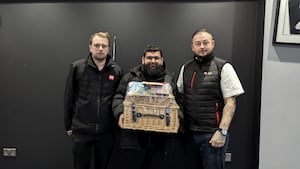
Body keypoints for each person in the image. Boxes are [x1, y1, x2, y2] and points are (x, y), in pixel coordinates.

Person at [176, 28, 244, 169]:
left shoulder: (223, 67)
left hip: (212, 136)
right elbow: (180, 97)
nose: (202, 46)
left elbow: (230, 103)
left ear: (212, 44)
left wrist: (222, 132)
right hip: (189, 135)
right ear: (192, 46)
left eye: (205, 43)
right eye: (198, 43)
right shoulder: (186, 68)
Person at [110, 44, 183, 169]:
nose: (153, 61)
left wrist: (179, 119)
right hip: (133, 140)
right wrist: (120, 113)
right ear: (143, 60)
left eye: (156, 58)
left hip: (161, 142)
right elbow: (118, 96)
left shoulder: (169, 80)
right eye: (149, 58)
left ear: (162, 60)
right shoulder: (130, 77)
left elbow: (179, 103)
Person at [64, 32, 123, 169]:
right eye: (97, 45)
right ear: (90, 47)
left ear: (108, 48)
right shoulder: (77, 68)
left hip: (106, 132)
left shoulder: (116, 70)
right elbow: (69, 96)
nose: (100, 48)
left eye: (104, 45)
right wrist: (68, 125)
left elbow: (118, 99)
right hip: (81, 130)